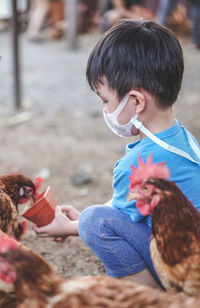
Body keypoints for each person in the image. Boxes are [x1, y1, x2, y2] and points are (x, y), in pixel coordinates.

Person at [34, 19, 200, 289]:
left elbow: (109, 221)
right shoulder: (183, 136)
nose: (106, 111)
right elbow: (125, 208)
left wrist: (72, 225)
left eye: (106, 101)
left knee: (94, 223)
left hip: (187, 270)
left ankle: (146, 296)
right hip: (190, 253)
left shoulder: (136, 163)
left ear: (135, 101)